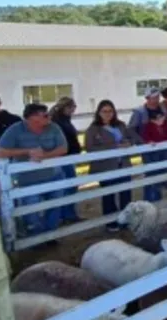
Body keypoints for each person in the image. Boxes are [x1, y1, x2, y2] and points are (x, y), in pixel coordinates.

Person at [0, 103, 67, 238]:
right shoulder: (15, 130)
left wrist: (44, 155)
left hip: (53, 175)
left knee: (55, 204)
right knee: (30, 209)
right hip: (28, 179)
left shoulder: (54, 128)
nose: (48, 117)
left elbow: (63, 148)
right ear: (32, 118)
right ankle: (36, 236)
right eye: (45, 115)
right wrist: (28, 151)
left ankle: (50, 234)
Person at [85, 100, 142, 232]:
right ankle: (111, 222)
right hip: (105, 166)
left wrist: (129, 143)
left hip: (123, 164)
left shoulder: (120, 125)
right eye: (104, 111)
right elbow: (90, 148)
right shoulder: (93, 129)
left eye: (110, 111)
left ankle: (126, 220)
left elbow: (132, 137)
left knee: (126, 193)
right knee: (108, 194)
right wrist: (114, 147)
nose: (108, 114)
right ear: (99, 112)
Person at [49, 97, 82, 223]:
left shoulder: (64, 120)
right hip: (63, 157)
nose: (73, 110)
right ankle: (66, 214)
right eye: (71, 107)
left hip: (69, 156)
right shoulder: (58, 122)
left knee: (69, 185)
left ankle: (67, 213)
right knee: (68, 186)